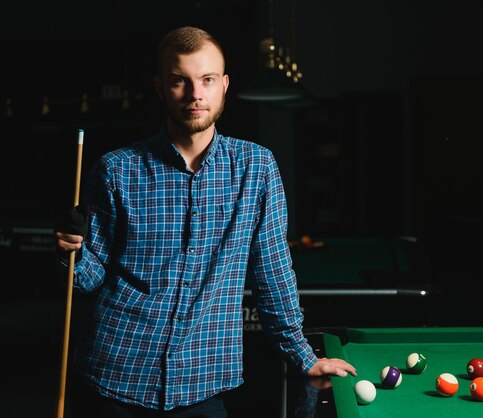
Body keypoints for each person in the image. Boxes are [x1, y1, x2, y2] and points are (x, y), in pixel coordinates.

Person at [54, 26, 356, 418]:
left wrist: (302, 356)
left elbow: (273, 272)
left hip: (203, 381)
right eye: (180, 81)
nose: (195, 94)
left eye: (207, 80)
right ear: (161, 87)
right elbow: (90, 278)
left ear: (224, 85)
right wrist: (70, 249)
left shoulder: (256, 168)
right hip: (114, 374)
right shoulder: (116, 169)